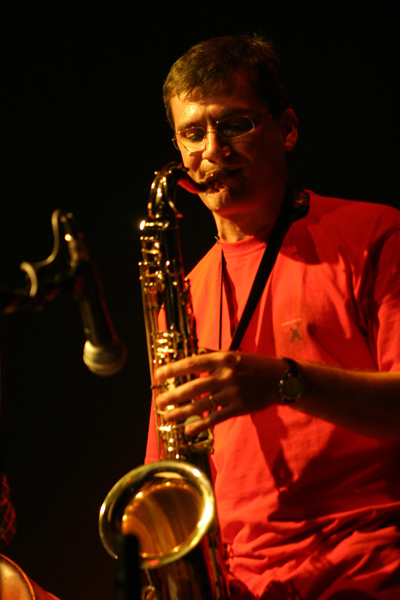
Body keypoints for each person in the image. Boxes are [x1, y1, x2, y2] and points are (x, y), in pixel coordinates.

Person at [145, 34, 400, 599]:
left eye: (234, 124)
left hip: (366, 569)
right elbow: (167, 473)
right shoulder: (181, 293)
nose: (212, 150)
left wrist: (283, 382)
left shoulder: (375, 233)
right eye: (193, 134)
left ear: (287, 129)